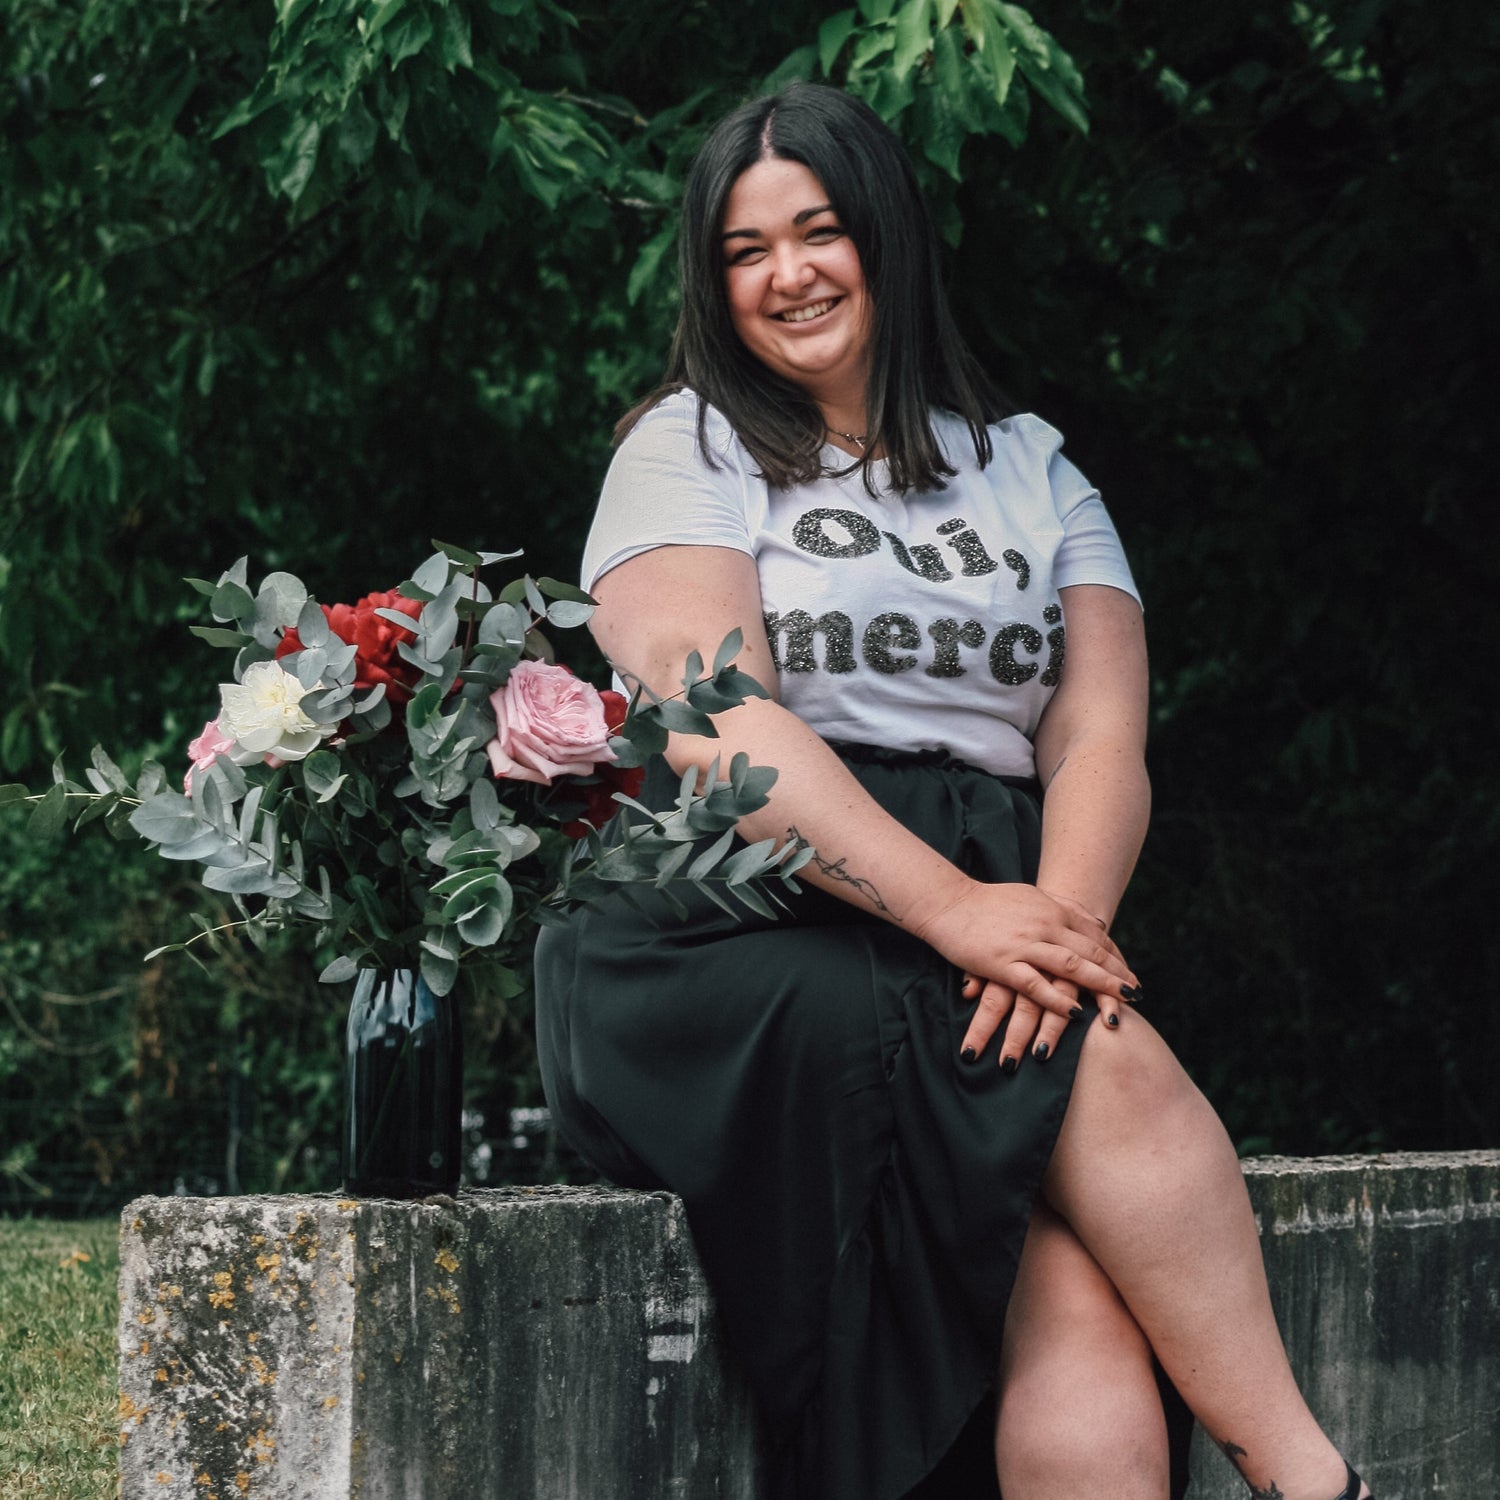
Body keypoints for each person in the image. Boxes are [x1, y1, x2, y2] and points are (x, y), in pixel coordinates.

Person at [535, 82, 1372, 1500]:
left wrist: (1054, 930)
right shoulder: (685, 448)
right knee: (1097, 1056)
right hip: (738, 920)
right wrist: (956, 917)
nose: (788, 273)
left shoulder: (1031, 467)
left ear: (887, 237)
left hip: (991, 889)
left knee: (1079, 1306)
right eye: (745, 251)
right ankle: (1313, 1481)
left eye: (818, 231)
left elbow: (1101, 739)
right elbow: (714, 720)